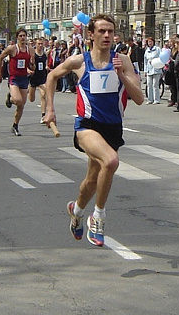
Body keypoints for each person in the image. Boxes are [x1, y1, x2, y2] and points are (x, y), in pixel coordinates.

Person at [44, 14, 144, 247]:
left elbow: (139, 98)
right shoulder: (79, 62)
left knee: (92, 180)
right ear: (91, 35)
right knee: (110, 162)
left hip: (112, 128)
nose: (107, 35)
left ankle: (77, 210)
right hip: (87, 126)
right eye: (102, 31)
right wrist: (50, 109)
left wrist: (121, 75)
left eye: (110, 31)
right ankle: (97, 217)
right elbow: (51, 76)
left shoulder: (123, 61)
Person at [0, 29, 35, 136]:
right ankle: (10, 98)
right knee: (17, 100)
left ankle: (15, 125)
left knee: (21, 105)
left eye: (24, 36)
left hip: (24, 78)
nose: (23, 38)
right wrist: (0, 73)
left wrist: (32, 66)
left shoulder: (30, 50)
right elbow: (0, 58)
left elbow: (33, 66)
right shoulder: (13, 49)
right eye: (20, 36)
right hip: (14, 78)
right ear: (17, 37)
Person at [28, 37, 49, 122]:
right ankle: (27, 92)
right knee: (31, 99)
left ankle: (43, 115)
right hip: (33, 78)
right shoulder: (32, 55)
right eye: (38, 44)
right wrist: (29, 70)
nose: (40, 45)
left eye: (41, 44)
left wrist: (47, 67)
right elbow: (27, 65)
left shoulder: (45, 54)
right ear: (35, 45)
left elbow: (46, 64)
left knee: (43, 95)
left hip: (42, 77)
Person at [142, 36, 162, 104]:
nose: (150, 43)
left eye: (151, 41)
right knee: (149, 84)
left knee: (155, 84)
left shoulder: (157, 49)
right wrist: (145, 70)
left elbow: (161, 58)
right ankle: (150, 99)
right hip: (149, 69)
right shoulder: (147, 50)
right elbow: (145, 61)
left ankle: (156, 99)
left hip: (156, 69)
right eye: (149, 42)